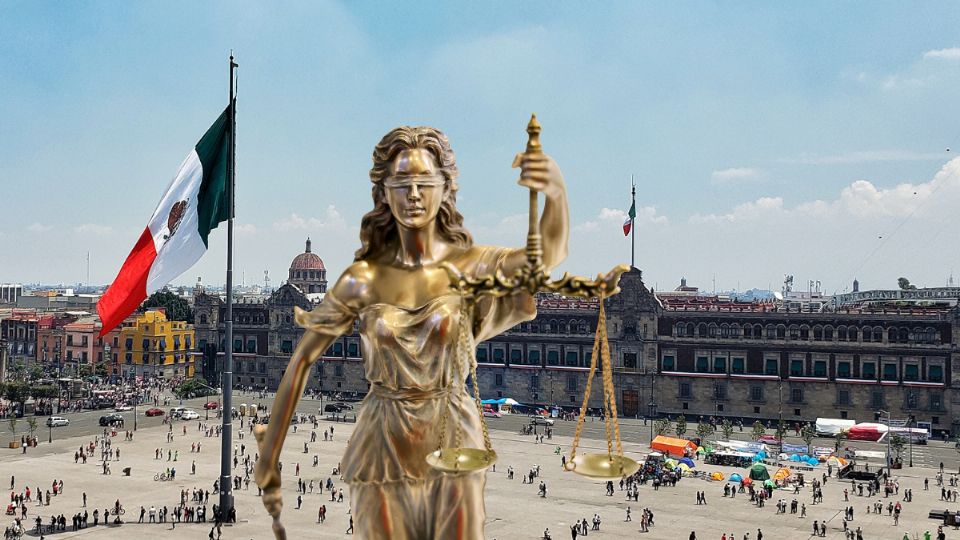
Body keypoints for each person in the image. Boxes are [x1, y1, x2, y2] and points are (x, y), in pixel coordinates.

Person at [255, 124, 585, 540]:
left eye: (425, 182)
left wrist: (554, 192)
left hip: (452, 430)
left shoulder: (471, 266)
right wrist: (270, 450)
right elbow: (301, 358)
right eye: (401, 182)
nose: (413, 194)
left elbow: (544, 257)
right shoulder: (362, 278)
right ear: (384, 191)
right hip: (383, 438)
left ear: (445, 188)